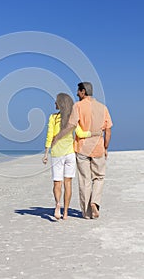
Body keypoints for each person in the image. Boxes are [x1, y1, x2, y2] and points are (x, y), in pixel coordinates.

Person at [52, 82, 113, 219]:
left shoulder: (78, 106)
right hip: (98, 145)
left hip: (82, 148)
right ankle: (95, 202)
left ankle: (86, 213)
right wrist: (105, 147)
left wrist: (57, 137)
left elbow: (71, 125)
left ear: (83, 91)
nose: (77, 94)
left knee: (84, 180)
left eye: (78, 92)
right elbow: (108, 130)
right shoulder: (103, 108)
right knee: (99, 177)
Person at [42, 93, 99, 220]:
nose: (54, 104)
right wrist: (94, 133)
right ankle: (66, 212)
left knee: (57, 183)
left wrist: (46, 153)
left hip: (57, 154)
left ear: (60, 104)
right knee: (68, 183)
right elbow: (80, 133)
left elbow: (49, 136)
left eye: (56, 101)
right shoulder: (73, 119)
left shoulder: (52, 118)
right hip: (70, 154)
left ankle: (58, 205)